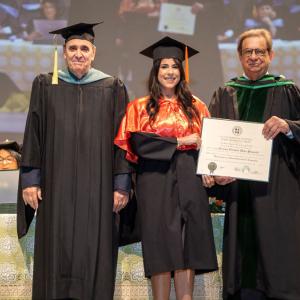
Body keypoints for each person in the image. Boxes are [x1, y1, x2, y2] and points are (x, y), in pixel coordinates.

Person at [17, 22, 133, 300]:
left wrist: (121, 184)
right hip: (56, 188)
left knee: (93, 248)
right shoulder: (45, 85)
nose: (78, 54)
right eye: (72, 48)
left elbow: (122, 139)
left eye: (84, 48)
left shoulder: (112, 87)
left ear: (94, 53)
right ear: (64, 53)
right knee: (56, 249)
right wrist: (31, 180)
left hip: (99, 189)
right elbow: (33, 133)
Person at [114, 36, 218, 300]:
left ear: (182, 72)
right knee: (160, 242)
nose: (170, 72)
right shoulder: (140, 107)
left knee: (188, 243)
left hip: (190, 176)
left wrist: (209, 167)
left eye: (175, 67)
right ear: (155, 71)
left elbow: (210, 144)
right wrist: (181, 140)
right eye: (164, 67)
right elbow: (139, 142)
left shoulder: (196, 106)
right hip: (155, 178)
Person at [209, 28, 300, 300]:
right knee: (243, 271)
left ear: (270, 55)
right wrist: (215, 174)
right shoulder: (226, 93)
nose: (253, 56)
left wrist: (289, 126)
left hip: (279, 193)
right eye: (247, 51)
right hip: (240, 195)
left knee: (279, 262)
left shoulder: (287, 91)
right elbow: (212, 143)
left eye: (260, 51)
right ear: (239, 56)